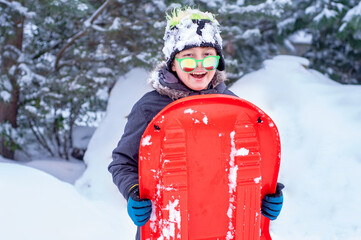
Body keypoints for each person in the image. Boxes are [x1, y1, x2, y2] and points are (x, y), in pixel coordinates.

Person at [108, 7, 284, 240]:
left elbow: (246, 163)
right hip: (169, 224)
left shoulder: (232, 107)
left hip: (223, 228)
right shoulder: (149, 108)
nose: (200, 66)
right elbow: (122, 162)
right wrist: (133, 193)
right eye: (189, 59)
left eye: (208, 56)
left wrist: (266, 195)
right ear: (173, 63)